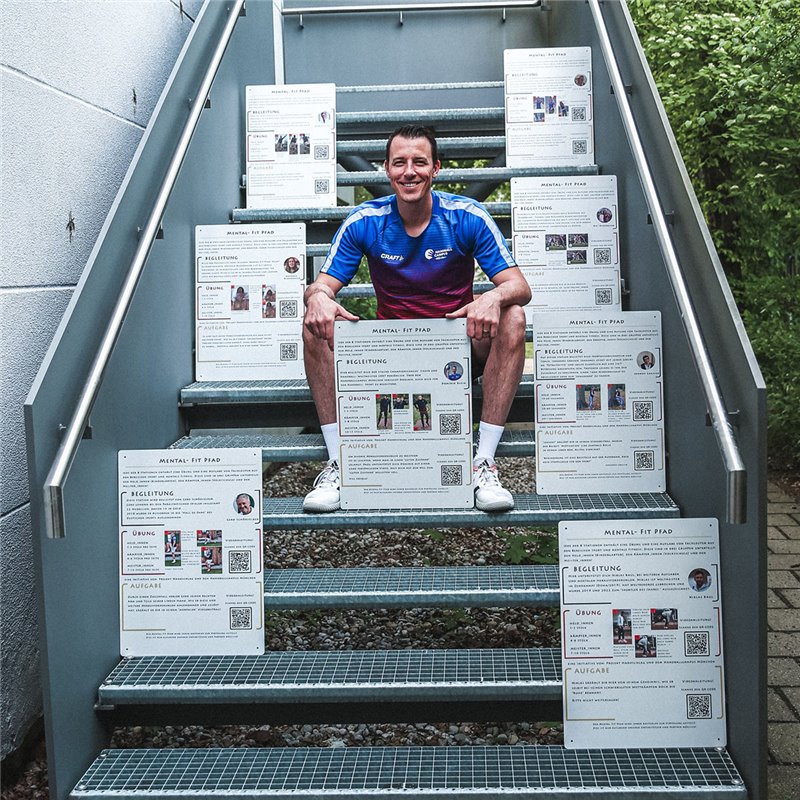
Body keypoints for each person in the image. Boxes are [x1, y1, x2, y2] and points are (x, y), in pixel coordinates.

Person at [302, 124, 531, 513]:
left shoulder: (466, 216)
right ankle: (342, 462)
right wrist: (318, 297)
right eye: (400, 162)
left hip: (457, 344)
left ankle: (482, 463)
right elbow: (320, 287)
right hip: (395, 351)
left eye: (419, 162)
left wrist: (492, 297)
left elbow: (519, 285)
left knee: (513, 317)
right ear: (388, 171)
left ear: (436, 168)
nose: (410, 171)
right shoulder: (364, 220)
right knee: (314, 326)